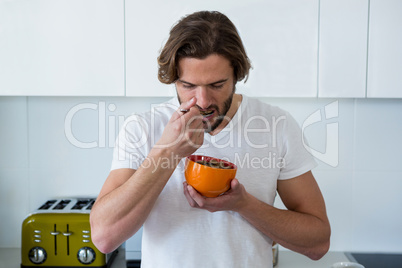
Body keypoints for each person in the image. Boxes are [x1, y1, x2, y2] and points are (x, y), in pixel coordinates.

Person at [90, 10, 330, 268]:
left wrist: (244, 205)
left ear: (237, 75)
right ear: (173, 79)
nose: (203, 102)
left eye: (216, 85)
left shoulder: (276, 126)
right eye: (188, 86)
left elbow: (318, 243)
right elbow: (104, 237)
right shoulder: (142, 129)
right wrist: (167, 152)